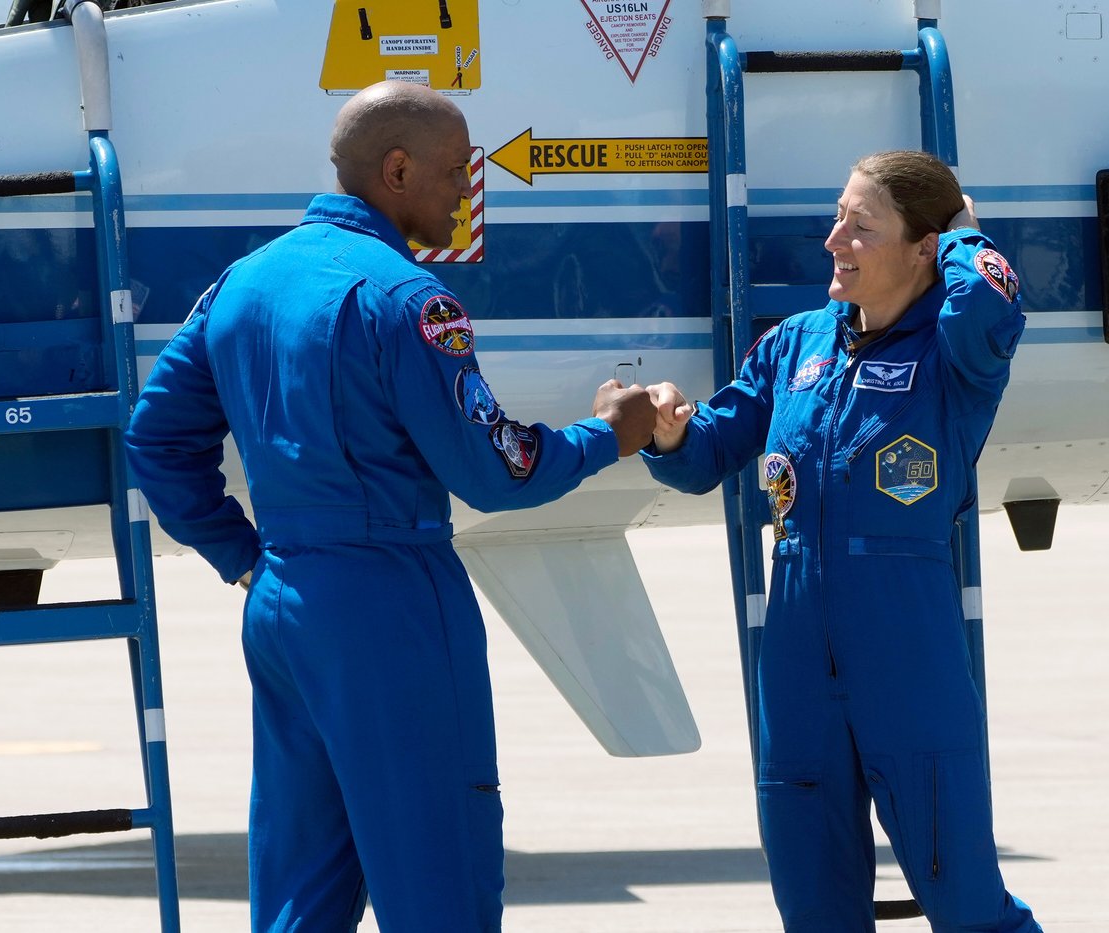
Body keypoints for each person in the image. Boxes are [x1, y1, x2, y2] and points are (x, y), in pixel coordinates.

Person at [124, 80, 656, 932]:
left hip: (284, 603)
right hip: (393, 606)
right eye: (455, 170)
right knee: (440, 880)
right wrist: (609, 434)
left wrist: (245, 557)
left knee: (303, 891)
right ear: (397, 169)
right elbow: (495, 470)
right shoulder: (409, 301)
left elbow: (154, 441)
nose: (467, 189)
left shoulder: (241, 283)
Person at [642, 150, 1041, 932]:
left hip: (909, 661)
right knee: (814, 909)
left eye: (862, 226)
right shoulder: (797, 345)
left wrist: (957, 228)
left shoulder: (957, 354)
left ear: (924, 247)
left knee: (967, 904)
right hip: (794, 669)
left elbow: (991, 295)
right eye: (836, 218)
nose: (834, 240)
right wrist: (668, 432)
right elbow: (710, 451)